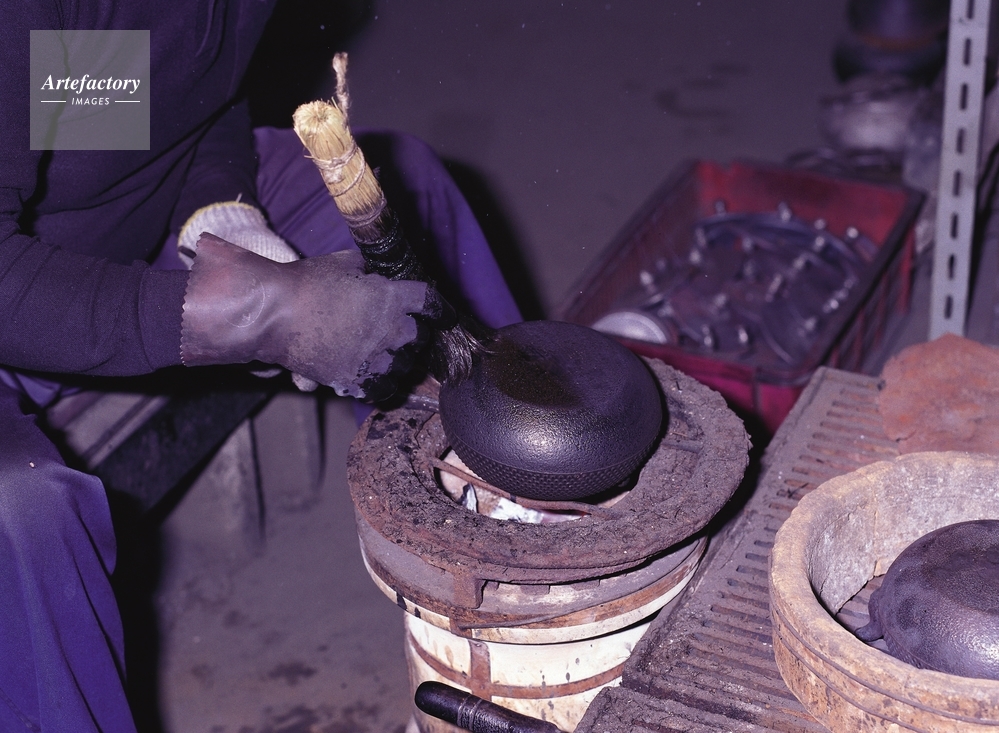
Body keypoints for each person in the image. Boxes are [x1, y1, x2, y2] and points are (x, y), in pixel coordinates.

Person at [0, 1, 521, 730]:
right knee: (19, 513)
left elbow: (171, 92)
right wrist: (245, 314)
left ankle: (519, 553)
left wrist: (220, 213)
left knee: (403, 199)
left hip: (103, 237)